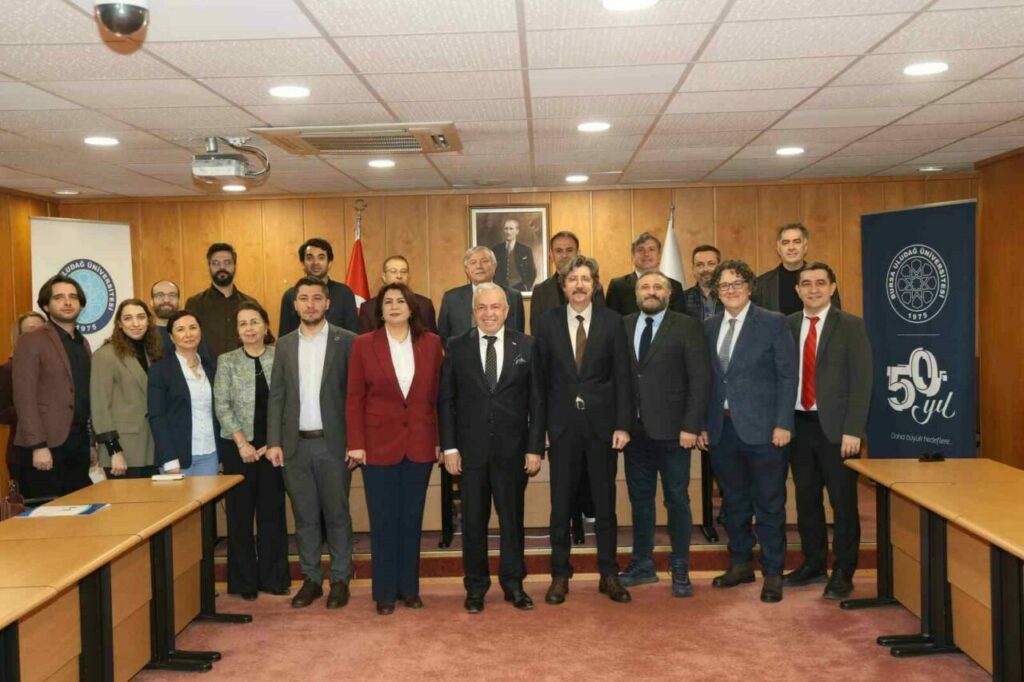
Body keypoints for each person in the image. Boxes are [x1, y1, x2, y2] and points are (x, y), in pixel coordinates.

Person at [532, 255, 634, 605]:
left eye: (585, 279)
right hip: (561, 428)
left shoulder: (612, 321)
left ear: (595, 285)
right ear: (563, 286)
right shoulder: (547, 322)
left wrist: (623, 424)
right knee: (560, 504)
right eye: (572, 279)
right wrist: (541, 430)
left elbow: (623, 377)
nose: (579, 285)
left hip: (603, 428)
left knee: (605, 504)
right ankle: (560, 575)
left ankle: (609, 573)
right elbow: (539, 382)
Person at [439, 283, 544, 613]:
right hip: (470, 453)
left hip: (513, 451)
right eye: (482, 307)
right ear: (473, 312)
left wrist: (534, 447)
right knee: (473, 522)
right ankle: (475, 587)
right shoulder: (456, 346)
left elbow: (537, 401)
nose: (488, 313)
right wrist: (450, 448)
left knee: (512, 521)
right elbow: (446, 401)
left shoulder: (526, 345)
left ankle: (514, 584)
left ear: (507, 310)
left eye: (495, 307)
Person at [697, 259, 798, 603]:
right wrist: (702, 424)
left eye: (738, 283)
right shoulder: (709, 327)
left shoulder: (773, 322)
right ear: (716, 292)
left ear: (750, 287)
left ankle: (773, 572)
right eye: (724, 285)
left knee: (769, 504)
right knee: (734, 503)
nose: (731, 290)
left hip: (766, 431)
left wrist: (783, 423)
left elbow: (788, 376)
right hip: (722, 429)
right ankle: (740, 564)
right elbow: (706, 381)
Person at [346, 282, 444, 616]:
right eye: (387, 302)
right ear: (380, 310)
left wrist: (440, 440)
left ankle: (409, 589)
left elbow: (439, 397)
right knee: (383, 520)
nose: (394, 306)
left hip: (419, 443)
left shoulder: (432, 344)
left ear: (412, 307)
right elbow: (354, 398)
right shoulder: (363, 344)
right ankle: (385, 593)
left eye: (400, 301)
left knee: (412, 520)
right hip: (376, 446)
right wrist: (356, 444)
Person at [266, 277, 356, 610]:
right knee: (304, 517)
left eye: (317, 298)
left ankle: (341, 579)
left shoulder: (347, 341)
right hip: (295, 446)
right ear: (295, 305)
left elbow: (355, 396)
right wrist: (273, 441)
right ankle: (312, 579)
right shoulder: (285, 345)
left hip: (334, 444)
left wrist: (355, 441)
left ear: (327, 303)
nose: (310, 304)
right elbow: (277, 395)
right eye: (303, 298)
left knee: (337, 515)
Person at [619, 272, 711, 598]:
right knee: (640, 502)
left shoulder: (687, 326)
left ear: (669, 294)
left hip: (675, 433)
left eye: (658, 287)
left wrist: (691, 426)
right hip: (635, 433)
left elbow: (700, 379)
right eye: (645, 287)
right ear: (636, 293)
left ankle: (680, 566)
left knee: (677, 500)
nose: (651, 291)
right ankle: (642, 564)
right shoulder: (624, 325)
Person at [783, 262, 872, 600]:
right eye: (806, 284)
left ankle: (844, 571)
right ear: (797, 290)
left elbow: (862, 381)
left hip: (838, 430)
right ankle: (813, 563)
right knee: (806, 501)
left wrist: (854, 430)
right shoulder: (788, 325)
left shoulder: (851, 325)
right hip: (798, 426)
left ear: (832, 288)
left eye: (820, 283)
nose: (813, 289)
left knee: (843, 503)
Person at [214, 302, 291, 602]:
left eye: (255, 322)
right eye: (243, 323)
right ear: (237, 330)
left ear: (266, 326)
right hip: (238, 449)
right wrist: (242, 443)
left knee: (273, 514)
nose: (249, 328)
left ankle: (274, 578)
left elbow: (289, 402)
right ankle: (244, 581)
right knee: (240, 516)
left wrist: (274, 441)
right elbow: (222, 405)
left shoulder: (280, 356)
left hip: (273, 448)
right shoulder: (227, 361)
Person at [13, 275, 96, 497]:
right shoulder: (31, 340)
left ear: (81, 305)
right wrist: (38, 446)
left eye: (73, 297)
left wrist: (91, 443)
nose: (67, 302)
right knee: (47, 513)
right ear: (45, 306)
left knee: (83, 509)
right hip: (46, 445)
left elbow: (85, 396)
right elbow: (24, 397)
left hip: (78, 443)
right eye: (59, 297)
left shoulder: (83, 343)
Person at [90, 299, 162, 479]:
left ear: (148, 321)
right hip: (122, 450)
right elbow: (100, 407)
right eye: (128, 318)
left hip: (152, 447)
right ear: (119, 324)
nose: (136, 323)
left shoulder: (154, 353)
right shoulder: (105, 355)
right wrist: (114, 451)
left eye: (141, 317)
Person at [148, 311, 221, 476]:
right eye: (180, 329)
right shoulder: (160, 369)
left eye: (193, 328)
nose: (188, 334)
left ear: (200, 332)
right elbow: (157, 417)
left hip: (210, 453)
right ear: (171, 337)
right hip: (177, 458)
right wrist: (169, 459)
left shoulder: (211, 366)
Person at [184, 243, 258, 359]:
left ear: (235, 266)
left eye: (227, 262)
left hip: (244, 368)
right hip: (207, 368)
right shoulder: (194, 303)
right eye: (215, 263)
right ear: (209, 267)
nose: (221, 267)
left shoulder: (250, 304)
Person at [438, 246, 524, 344]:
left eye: (484, 261)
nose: (479, 266)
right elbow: (443, 337)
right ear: (466, 269)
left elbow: (518, 335)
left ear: (494, 265)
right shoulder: (451, 298)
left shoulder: (513, 297)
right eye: (473, 262)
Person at [1, 312, 46, 494]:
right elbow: (2, 413)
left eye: (42, 330)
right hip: (23, 454)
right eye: (30, 330)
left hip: (58, 452)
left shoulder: (57, 369)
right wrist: (31, 408)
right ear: (19, 337)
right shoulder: (7, 369)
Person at [753, 224, 841, 316]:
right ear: (779, 248)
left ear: (805, 247)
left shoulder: (824, 280)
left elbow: (835, 318)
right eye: (785, 242)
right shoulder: (761, 284)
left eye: (797, 242)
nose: (791, 247)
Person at [278, 238, 358, 336]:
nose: (315, 262)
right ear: (303, 263)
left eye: (321, 257)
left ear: (329, 263)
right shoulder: (290, 295)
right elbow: (284, 338)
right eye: (310, 258)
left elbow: (354, 336)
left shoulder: (344, 293)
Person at [529, 231, 605, 332]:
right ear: (551, 254)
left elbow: (602, 325)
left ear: (578, 253)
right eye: (559, 251)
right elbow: (537, 331)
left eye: (569, 250)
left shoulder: (594, 287)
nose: (564, 255)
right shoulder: (540, 291)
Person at [605, 232, 687, 316]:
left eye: (651, 249)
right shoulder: (618, 286)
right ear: (633, 255)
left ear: (659, 255)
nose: (646, 254)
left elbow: (680, 320)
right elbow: (611, 319)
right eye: (641, 250)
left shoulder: (675, 286)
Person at [357, 255, 437, 334]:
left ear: (408, 276)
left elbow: (433, 340)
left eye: (403, 272)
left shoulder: (425, 305)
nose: (399, 276)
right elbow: (364, 341)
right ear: (384, 277)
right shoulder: (368, 308)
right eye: (393, 271)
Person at [151, 279, 212, 363]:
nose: (166, 300)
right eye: (160, 295)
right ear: (151, 301)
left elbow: (205, 363)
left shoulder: (192, 331)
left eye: (172, 295)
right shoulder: (145, 333)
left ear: (179, 301)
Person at [492, 218, 537, 293]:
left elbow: (532, 272)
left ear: (517, 231)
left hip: (520, 289)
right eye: (506, 229)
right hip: (499, 290)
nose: (508, 232)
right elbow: (491, 271)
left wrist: (526, 287)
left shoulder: (526, 250)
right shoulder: (495, 250)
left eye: (511, 229)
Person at [683, 245, 725, 322]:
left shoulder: (730, 295)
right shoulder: (682, 298)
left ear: (720, 267)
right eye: (699, 265)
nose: (705, 269)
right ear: (693, 269)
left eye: (711, 264)